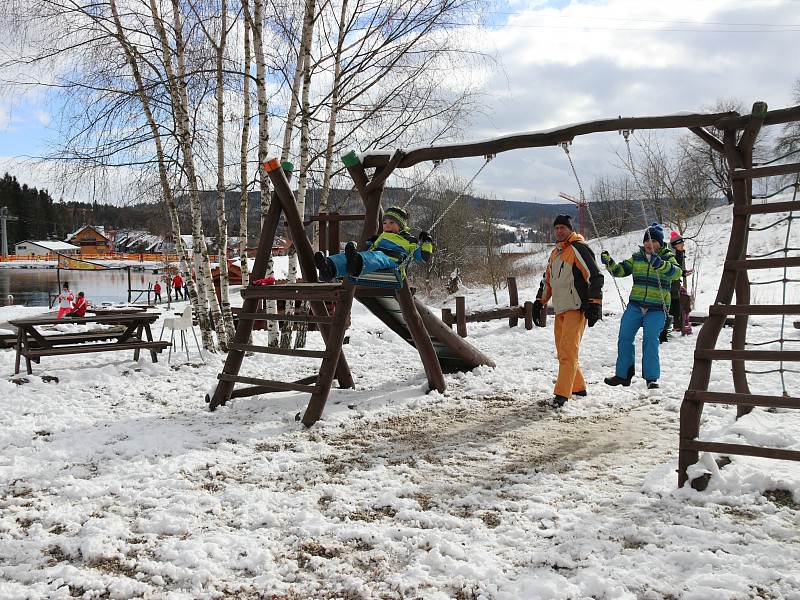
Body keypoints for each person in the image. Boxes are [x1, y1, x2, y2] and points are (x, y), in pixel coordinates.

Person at [534, 214, 604, 408]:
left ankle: (561, 394)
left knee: (567, 350)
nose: (559, 231)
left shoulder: (578, 249)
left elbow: (595, 276)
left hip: (576, 308)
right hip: (560, 308)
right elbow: (547, 280)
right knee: (563, 351)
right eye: (556, 228)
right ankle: (578, 386)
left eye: (562, 228)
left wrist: (595, 302)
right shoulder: (555, 253)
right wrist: (539, 301)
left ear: (570, 230)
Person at [600, 223, 682, 389]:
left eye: (653, 241)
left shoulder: (666, 257)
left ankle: (651, 378)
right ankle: (623, 375)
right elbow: (621, 270)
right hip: (636, 305)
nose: (649, 244)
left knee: (651, 339)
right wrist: (610, 263)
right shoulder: (637, 257)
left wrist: (662, 265)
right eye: (647, 240)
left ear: (660, 243)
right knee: (624, 336)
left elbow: (677, 273)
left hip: (657, 308)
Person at [314, 206, 433, 282]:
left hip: (392, 263)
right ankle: (329, 268)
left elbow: (423, 258)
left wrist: (427, 242)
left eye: (392, 222)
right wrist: (371, 241)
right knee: (349, 257)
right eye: (385, 222)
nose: (387, 225)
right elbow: (367, 250)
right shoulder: (381, 236)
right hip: (374, 259)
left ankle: (355, 263)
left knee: (377, 256)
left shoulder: (410, 240)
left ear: (401, 225)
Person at [668, 231, 694, 336]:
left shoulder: (679, 253)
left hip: (675, 285)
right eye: (681, 243)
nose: (683, 245)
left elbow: (677, 270)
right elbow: (670, 270)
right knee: (674, 306)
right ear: (675, 244)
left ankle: (680, 326)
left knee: (684, 300)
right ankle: (673, 327)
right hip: (669, 286)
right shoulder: (671, 255)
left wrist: (683, 273)